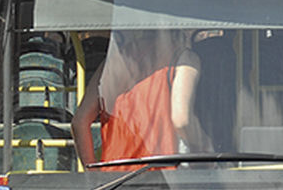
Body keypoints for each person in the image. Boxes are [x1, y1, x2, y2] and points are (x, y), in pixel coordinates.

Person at [74, 30, 204, 167]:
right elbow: (182, 121)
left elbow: (80, 121)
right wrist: (205, 148)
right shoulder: (184, 59)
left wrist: (92, 173)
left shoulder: (113, 62)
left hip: (112, 181)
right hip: (161, 177)